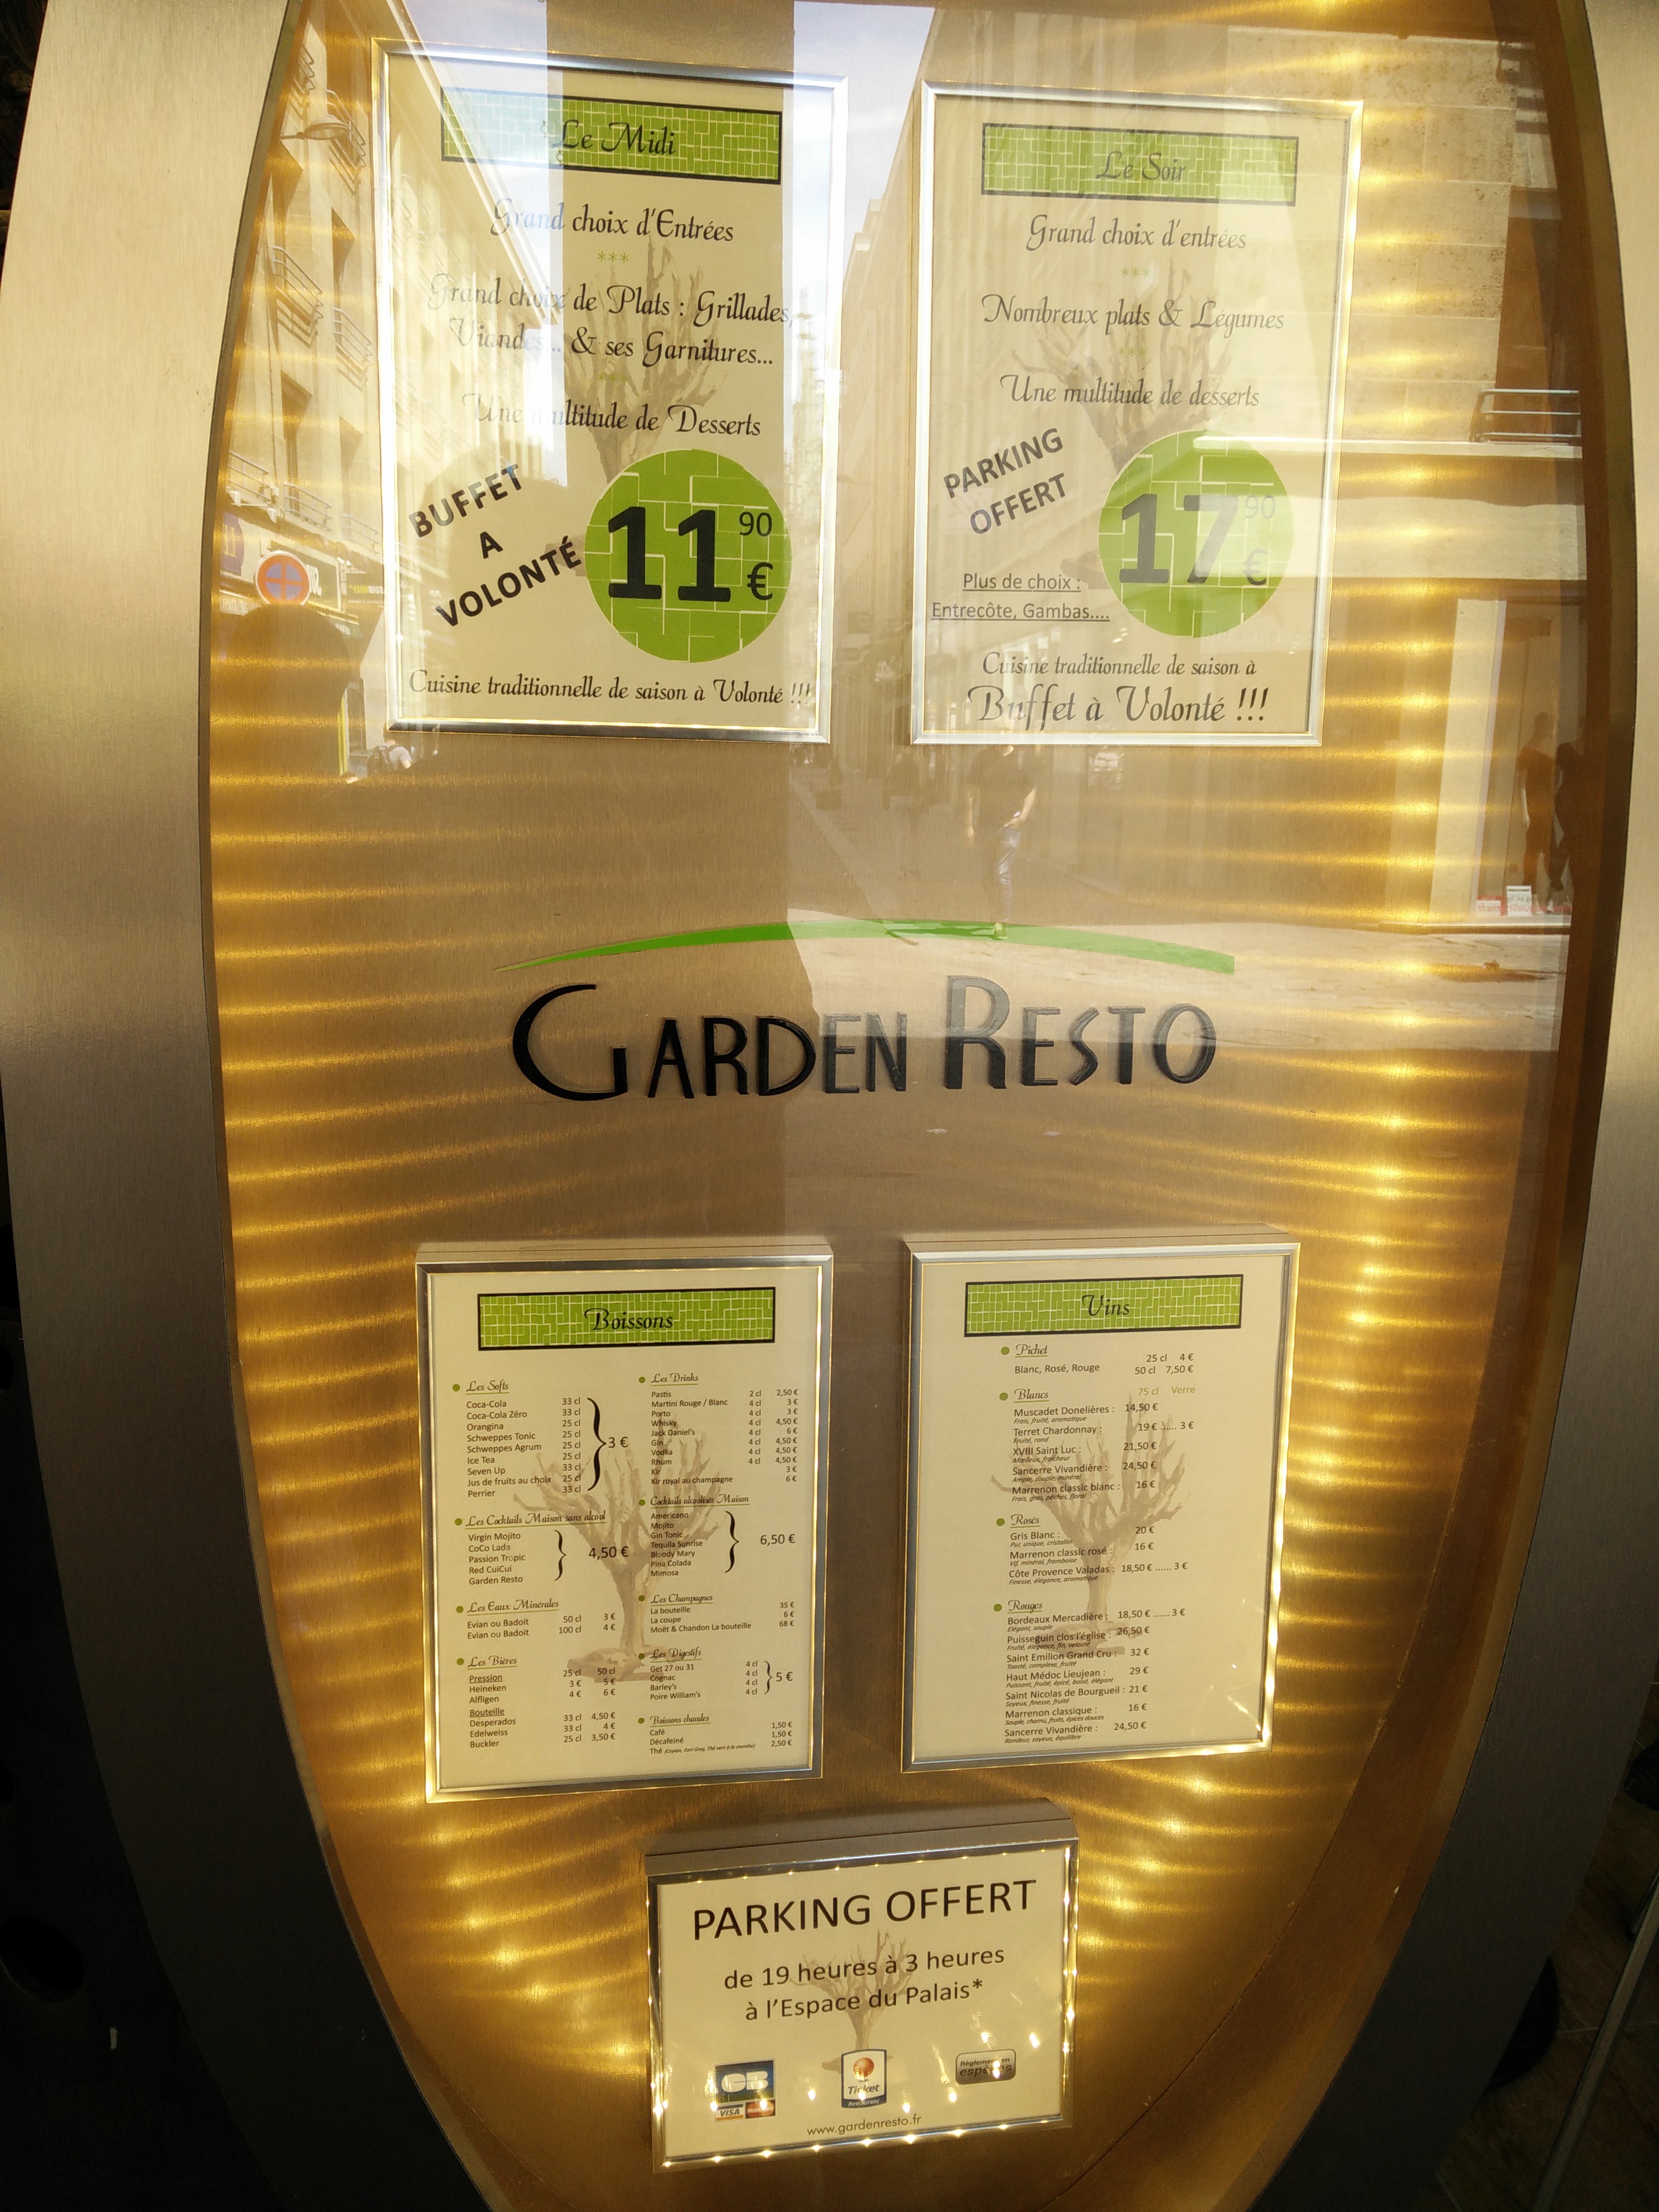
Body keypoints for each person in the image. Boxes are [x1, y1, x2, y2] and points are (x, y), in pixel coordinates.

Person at [966, 745, 1038, 929]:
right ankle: (995, 909)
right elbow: (971, 793)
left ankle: (1002, 920)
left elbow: (1030, 790)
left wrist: (1023, 817)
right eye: (1000, 731)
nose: (1004, 733)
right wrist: (969, 825)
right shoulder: (983, 758)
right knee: (986, 875)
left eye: (1007, 731)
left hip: (1010, 826)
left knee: (1002, 872)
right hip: (986, 825)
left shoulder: (1022, 759)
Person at [1515, 713, 1559, 904]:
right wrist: (1524, 812)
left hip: (1546, 807)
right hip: (1534, 806)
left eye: (1550, 725)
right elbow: (1521, 784)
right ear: (1538, 726)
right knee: (1533, 849)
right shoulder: (1528, 751)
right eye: (1545, 725)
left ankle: (1552, 893)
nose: (1548, 729)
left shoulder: (1549, 750)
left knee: (1549, 850)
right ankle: (1531, 892)